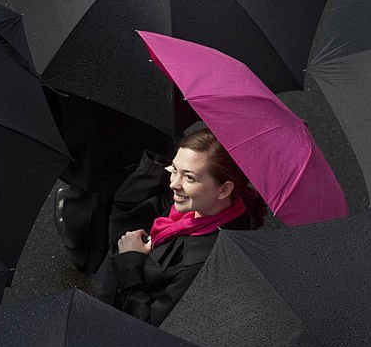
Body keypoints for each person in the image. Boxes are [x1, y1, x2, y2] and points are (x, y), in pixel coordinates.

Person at [90, 127, 266, 325]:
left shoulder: (200, 265)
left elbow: (148, 324)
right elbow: (128, 206)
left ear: (224, 189)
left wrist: (130, 261)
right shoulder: (200, 205)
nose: (174, 183)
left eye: (189, 177)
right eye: (174, 170)